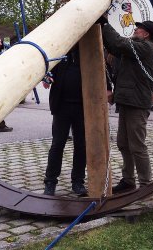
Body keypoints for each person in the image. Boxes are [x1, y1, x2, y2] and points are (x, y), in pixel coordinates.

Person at [99, 18, 153, 193]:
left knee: (137, 145)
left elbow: (119, 44)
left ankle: (146, 184)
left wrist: (105, 25)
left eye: (138, 29)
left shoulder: (146, 47)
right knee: (123, 143)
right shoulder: (135, 47)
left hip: (137, 102)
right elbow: (115, 47)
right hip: (127, 100)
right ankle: (128, 180)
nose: (135, 30)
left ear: (146, 34)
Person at [41, 44, 87, 197]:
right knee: (58, 144)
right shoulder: (59, 53)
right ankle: (50, 181)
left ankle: (78, 181)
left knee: (81, 145)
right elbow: (47, 75)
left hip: (83, 107)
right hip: (62, 107)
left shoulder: (87, 53)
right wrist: (46, 77)